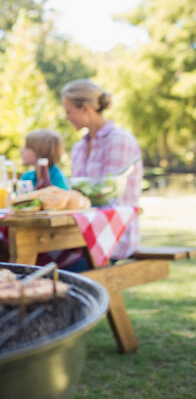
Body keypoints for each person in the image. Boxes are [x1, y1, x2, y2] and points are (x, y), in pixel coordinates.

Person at [62, 79, 143, 265]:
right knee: (38, 266)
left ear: (86, 109)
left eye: (69, 111)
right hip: (81, 235)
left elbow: (110, 195)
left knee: (58, 276)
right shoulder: (78, 147)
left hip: (113, 235)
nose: (67, 117)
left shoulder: (119, 140)